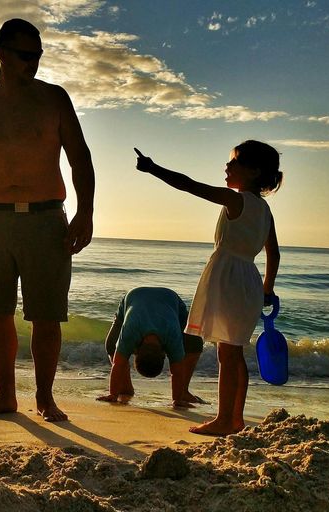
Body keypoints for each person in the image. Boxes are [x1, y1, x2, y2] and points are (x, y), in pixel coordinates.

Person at [0, 18, 95, 422]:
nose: (34, 63)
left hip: (45, 218)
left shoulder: (54, 99)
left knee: (47, 313)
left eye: (39, 56)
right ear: (2, 53)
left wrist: (86, 211)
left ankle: (45, 398)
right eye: (26, 56)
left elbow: (81, 156)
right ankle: (5, 395)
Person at [134, 140, 282, 436]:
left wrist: (153, 169)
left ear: (253, 171)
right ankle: (235, 418)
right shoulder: (265, 210)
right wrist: (267, 288)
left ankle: (225, 419)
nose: (227, 166)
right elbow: (274, 253)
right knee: (234, 352)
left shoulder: (235, 200)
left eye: (235, 162)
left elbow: (189, 185)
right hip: (249, 281)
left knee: (226, 355)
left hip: (227, 279)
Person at [95, 287, 206, 408]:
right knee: (112, 345)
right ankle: (125, 388)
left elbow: (118, 363)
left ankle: (183, 392)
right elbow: (176, 371)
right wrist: (176, 400)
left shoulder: (172, 335)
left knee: (195, 344)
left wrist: (112, 395)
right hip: (134, 297)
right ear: (165, 354)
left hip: (170, 300)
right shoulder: (131, 331)